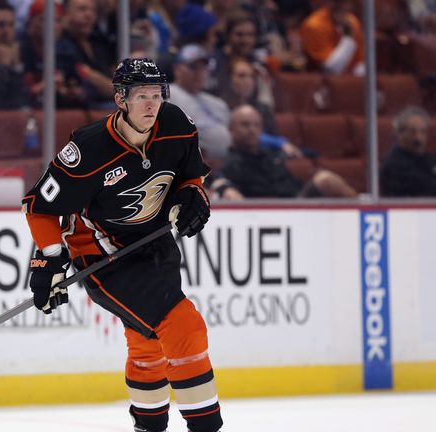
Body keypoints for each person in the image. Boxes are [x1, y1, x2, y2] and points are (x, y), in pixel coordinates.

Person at [22, 58, 223, 432]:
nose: (151, 104)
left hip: (156, 244)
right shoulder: (89, 148)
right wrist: (49, 258)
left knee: (147, 340)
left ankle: (147, 426)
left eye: (157, 95)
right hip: (104, 258)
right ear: (120, 99)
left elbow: (190, 175)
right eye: (141, 96)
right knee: (184, 327)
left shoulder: (176, 124)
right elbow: (39, 207)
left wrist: (193, 196)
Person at [222, 104, 357, 198]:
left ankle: (362, 209)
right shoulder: (232, 163)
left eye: (257, 125)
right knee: (325, 180)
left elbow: (309, 154)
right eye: (245, 125)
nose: (252, 130)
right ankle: (367, 210)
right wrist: (224, 188)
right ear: (231, 129)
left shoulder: (270, 154)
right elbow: (217, 181)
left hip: (297, 200)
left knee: (324, 178)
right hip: (274, 212)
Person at [168, 43, 232, 159]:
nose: (199, 72)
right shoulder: (167, 95)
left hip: (225, 165)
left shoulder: (218, 103)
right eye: (193, 67)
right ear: (177, 69)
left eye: (203, 67)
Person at [381, 106, 436, 196]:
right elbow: (424, 186)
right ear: (399, 134)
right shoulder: (393, 164)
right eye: (412, 132)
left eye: (423, 132)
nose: (418, 138)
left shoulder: (430, 159)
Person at [299, 0, 365, 75]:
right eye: (336, 2)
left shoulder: (353, 22)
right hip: (319, 82)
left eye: (345, 2)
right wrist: (348, 37)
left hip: (349, 80)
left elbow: (359, 64)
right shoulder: (314, 25)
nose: (341, 6)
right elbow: (331, 70)